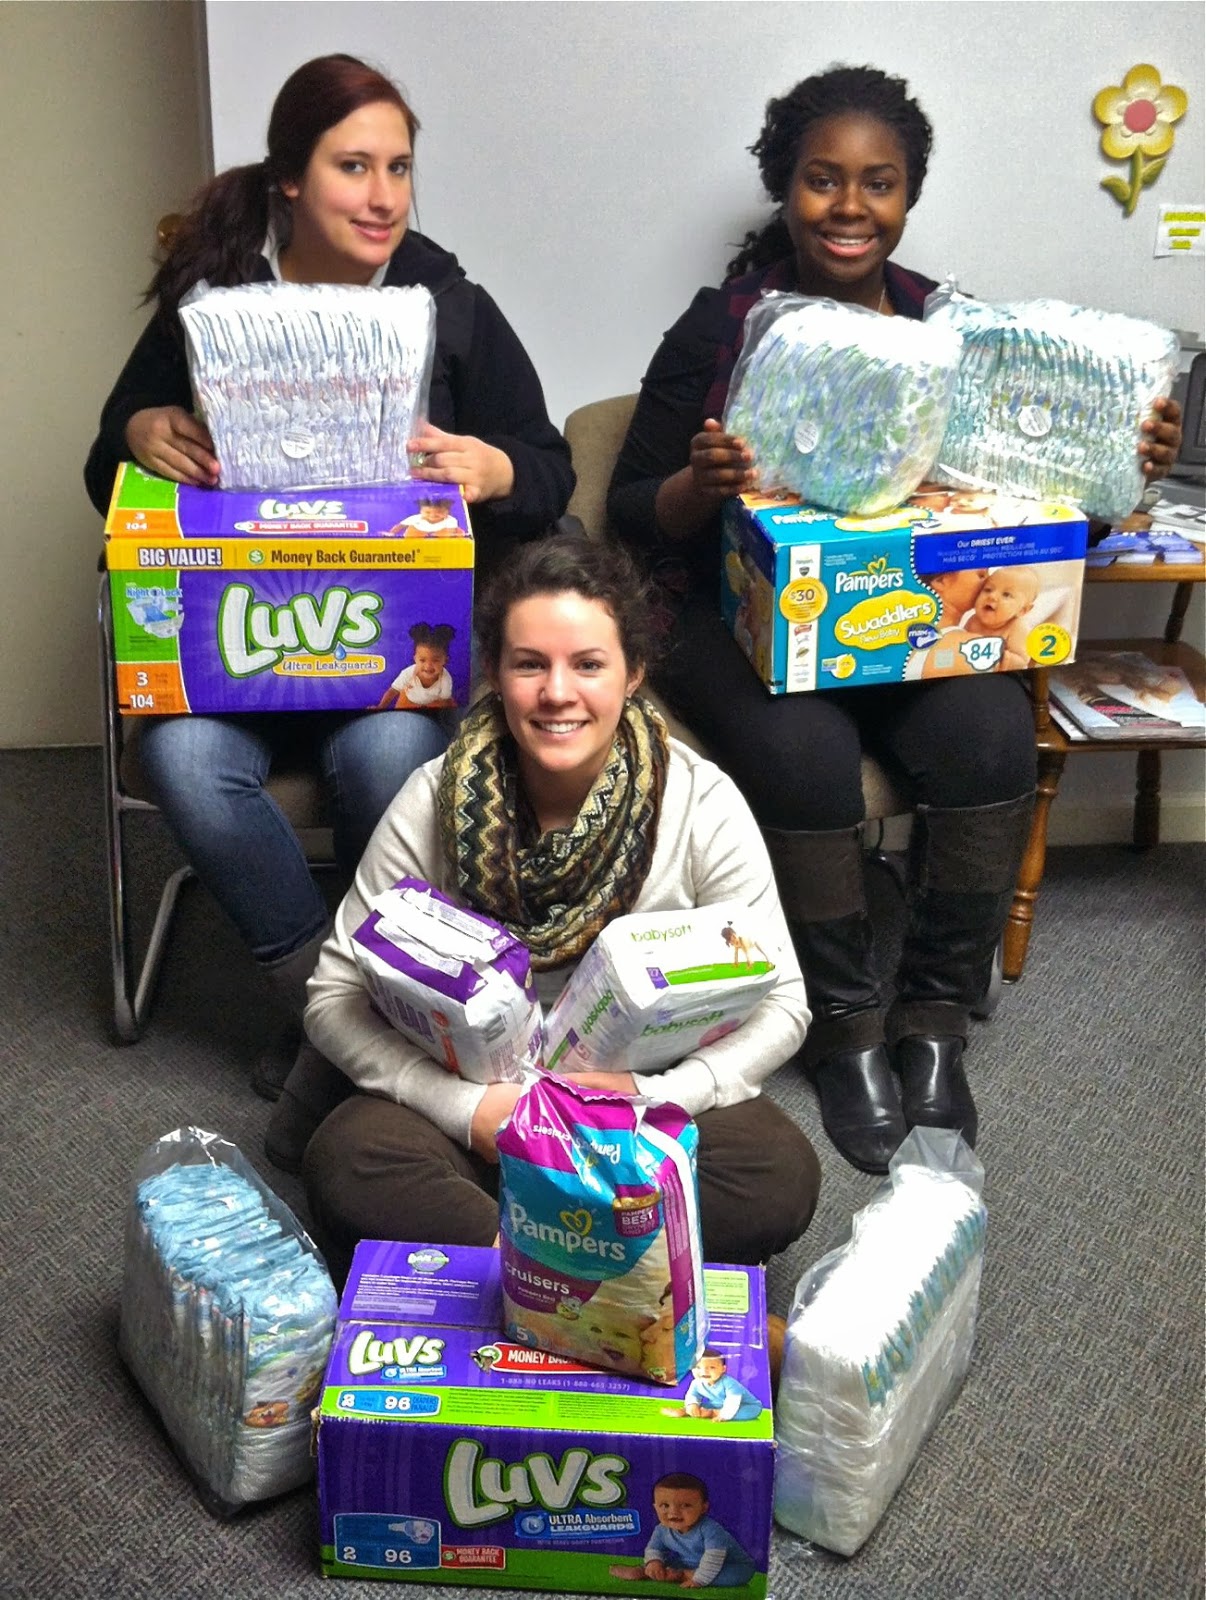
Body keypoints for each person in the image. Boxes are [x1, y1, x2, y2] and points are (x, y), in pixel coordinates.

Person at [607, 64, 1183, 1174]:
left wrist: (1123, 476)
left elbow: (1029, 512)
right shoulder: (724, 328)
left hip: (907, 620)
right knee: (805, 751)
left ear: (909, 194)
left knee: (990, 735)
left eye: (878, 182)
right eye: (824, 180)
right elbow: (636, 512)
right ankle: (847, 1032)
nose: (850, 206)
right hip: (733, 615)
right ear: (785, 189)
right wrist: (704, 482)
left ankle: (931, 1022)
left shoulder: (952, 330)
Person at [84, 54, 573, 1095]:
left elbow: (551, 469)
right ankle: (332, 1007)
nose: (385, 195)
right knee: (185, 766)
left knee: (389, 755)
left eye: (400, 168)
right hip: (235, 652)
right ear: (291, 181)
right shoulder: (214, 297)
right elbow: (104, 471)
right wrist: (138, 428)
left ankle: (360, 1012)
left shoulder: (448, 300)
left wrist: (494, 469)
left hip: (389, 657)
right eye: (355, 166)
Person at [296, 534, 821, 1284]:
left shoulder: (701, 802)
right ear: (497, 677)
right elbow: (333, 994)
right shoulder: (434, 796)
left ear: (632, 674)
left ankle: (515, 1275)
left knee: (775, 1177)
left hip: (636, 1119)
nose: (557, 693)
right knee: (348, 1162)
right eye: (529, 664)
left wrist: (655, 1096)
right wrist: (465, 1110)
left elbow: (786, 1005)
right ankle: (616, 1283)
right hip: (476, 1108)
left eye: (588, 664)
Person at [609, 1472, 756, 1589]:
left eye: (685, 1505)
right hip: (688, 1564)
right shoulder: (662, 1529)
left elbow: (713, 1558)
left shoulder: (711, 1530)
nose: (674, 1512)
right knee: (662, 1566)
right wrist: (654, 1562)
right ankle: (645, 1571)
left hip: (730, 1565)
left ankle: (681, 1575)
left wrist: (699, 1580)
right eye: (665, 1505)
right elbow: (654, 1548)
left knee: (736, 1576)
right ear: (655, 1507)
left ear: (704, 1508)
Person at [375, 622, 457, 708]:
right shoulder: (408, 673)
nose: (428, 666)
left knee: (450, 704)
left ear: (445, 660)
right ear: (415, 659)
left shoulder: (446, 678)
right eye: (422, 660)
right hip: (409, 700)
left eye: (435, 660)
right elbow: (393, 690)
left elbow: (444, 700)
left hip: (434, 702)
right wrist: (381, 707)